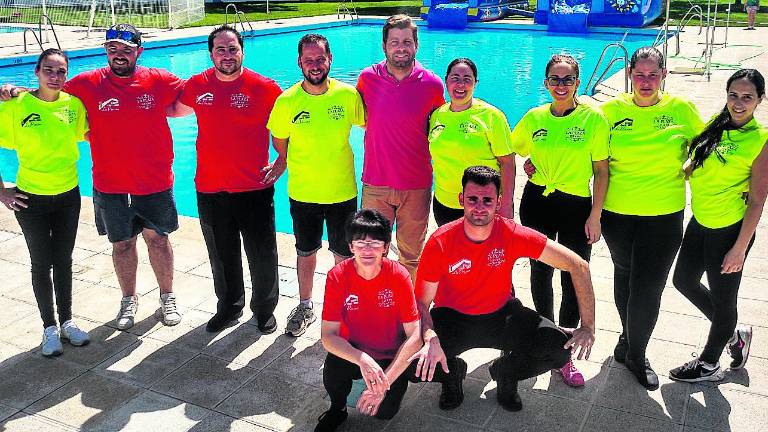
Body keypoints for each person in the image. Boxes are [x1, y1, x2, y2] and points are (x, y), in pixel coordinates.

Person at [1, 24, 186, 330]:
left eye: (127, 49)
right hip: (110, 185)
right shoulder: (87, 83)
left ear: (139, 51)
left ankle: (167, 296)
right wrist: (16, 90)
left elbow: (195, 94)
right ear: (106, 51)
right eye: (113, 49)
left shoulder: (158, 79)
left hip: (154, 181)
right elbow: (48, 93)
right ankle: (129, 300)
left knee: (158, 240)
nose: (119, 55)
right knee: (122, 245)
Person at [411, 166, 596, 412]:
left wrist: (588, 326)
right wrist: (429, 337)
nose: (479, 207)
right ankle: (452, 374)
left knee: (559, 350)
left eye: (487, 200)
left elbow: (578, 265)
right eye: (472, 199)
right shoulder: (440, 242)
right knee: (411, 363)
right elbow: (421, 303)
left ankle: (505, 373)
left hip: (502, 314)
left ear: (498, 203)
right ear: (461, 200)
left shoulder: (510, 233)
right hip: (453, 317)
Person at [599, 46, 704, 389]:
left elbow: (709, 146)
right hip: (617, 214)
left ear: (664, 75)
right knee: (625, 275)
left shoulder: (681, 110)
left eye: (653, 74)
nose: (646, 81)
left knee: (648, 287)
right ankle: (628, 338)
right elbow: (586, 148)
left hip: (663, 215)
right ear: (630, 74)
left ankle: (635, 353)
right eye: (640, 74)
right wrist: (536, 162)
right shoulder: (609, 111)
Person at [169, 26, 283, 334]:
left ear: (242, 51)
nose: (227, 55)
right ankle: (230, 306)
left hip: (254, 188)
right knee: (221, 255)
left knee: (262, 254)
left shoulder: (265, 88)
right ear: (211, 54)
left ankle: (263, 309)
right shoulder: (198, 85)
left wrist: (282, 160)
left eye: (232, 49)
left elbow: (287, 126)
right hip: (210, 187)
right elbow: (167, 107)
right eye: (220, 50)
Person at [511, 54, 610, 387]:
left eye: (567, 80)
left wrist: (596, 215)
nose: (560, 86)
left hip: (575, 205)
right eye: (554, 79)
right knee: (540, 272)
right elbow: (512, 149)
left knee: (572, 273)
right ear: (545, 82)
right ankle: (547, 337)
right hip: (537, 201)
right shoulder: (534, 117)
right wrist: (528, 163)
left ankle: (566, 351)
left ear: (577, 83)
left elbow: (600, 170)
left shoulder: (591, 119)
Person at [669, 69, 768, 382]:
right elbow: (698, 161)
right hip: (700, 221)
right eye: (733, 95)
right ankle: (733, 332)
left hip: (728, 229)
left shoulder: (761, 140)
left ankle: (710, 363)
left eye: (747, 97)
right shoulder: (718, 123)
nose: (738, 103)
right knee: (683, 281)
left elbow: (756, 201)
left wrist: (739, 248)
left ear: (760, 100)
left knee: (725, 300)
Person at [267, 33, 365, 337]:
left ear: (330, 59)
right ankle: (306, 306)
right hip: (303, 192)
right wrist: (281, 160)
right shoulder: (287, 101)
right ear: (299, 62)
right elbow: (278, 136)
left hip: (342, 191)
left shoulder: (348, 96)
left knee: (343, 256)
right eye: (308, 60)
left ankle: (344, 311)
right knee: (306, 252)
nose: (314, 65)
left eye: (320, 58)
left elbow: (372, 126)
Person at [0, 49, 90, 357]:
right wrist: (2, 191)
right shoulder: (16, 106)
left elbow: (87, 135)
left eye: (61, 71)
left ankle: (67, 321)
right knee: (42, 263)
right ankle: (49, 327)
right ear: (36, 72)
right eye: (49, 70)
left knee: (63, 261)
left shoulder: (73, 106)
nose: (55, 76)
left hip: (68, 195)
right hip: (31, 199)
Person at [315, 209, 436, 431]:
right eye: (360, 243)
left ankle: (453, 371)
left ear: (386, 247)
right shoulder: (337, 276)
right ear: (351, 247)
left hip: (391, 355)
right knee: (333, 365)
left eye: (375, 243)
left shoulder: (398, 275)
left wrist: (384, 382)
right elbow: (328, 336)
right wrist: (361, 359)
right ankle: (337, 408)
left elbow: (414, 337)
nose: (367, 250)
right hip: (357, 351)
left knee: (384, 413)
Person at [356, 14, 445, 281]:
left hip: (415, 185)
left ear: (416, 45)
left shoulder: (432, 84)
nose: (401, 47)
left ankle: (406, 309)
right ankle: (374, 306)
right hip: (376, 182)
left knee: (411, 256)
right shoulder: (366, 79)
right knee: (370, 250)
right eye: (394, 42)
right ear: (384, 45)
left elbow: (442, 129)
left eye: (407, 41)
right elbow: (363, 119)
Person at [428, 57, 514, 226]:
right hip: (444, 203)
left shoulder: (491, 116)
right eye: (455, 78)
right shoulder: (437, 115)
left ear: (475, 83)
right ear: (446, 81)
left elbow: (507, 162)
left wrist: (505, 204)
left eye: (467, 79)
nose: (460, 84)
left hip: (482, 205)